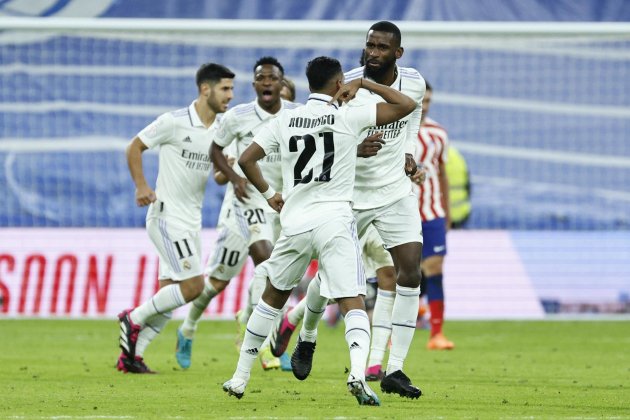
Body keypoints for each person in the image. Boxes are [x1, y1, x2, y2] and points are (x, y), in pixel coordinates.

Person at [222, 56, 416, 405]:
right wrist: (365, 83)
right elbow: (406, 105)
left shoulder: (285, 119)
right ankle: (358, 375)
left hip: (295, 222)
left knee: (271, 299)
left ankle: (239, 377)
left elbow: (247, 159)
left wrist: (269, 194)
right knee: (352, 300)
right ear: (339, 83)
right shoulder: (349, 115)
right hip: (334, 221)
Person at [273, 21, 426, 399]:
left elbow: (411, 119)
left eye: (381, 48)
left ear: (397, 53)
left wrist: (409, 153)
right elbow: (323, 141)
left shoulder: (412, 82)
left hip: (395, 193)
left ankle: (395, 369)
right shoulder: (344, 89)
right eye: (369, 45)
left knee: (410, 272)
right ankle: (304, 329)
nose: (373, 52)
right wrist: (355, 151)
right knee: (331, 279)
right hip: (351, 195)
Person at [174, 57, 299, 370]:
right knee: (221, 281)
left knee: (271, 272)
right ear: (255, 84)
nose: (268, 84)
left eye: (274, 79)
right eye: (262, 78)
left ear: (282, 85)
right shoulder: (238, 117)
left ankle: (265, 341)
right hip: (244, 205)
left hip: (281, 207)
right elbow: (216, 153)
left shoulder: (297, 116)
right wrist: (233, 177)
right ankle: (188, 328)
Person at [117, 63, 235, 373]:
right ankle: (133, 318)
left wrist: (229, 170)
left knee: (169, 296)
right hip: (167, 217)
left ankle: (131, 357)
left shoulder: (222, 129)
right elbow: (134, 147)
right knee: (194, 286)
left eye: (232, 89)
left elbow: (219, 177)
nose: (230, 95)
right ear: (205, 89)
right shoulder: (174, 122)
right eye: (225, 89)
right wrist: (141, 186)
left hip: (191, 221)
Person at [411, 81, 455, 350]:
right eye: (421, 100)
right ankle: (391, 333)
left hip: (432, 212)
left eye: (428, 101)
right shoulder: (396, 130)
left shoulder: (438, 133)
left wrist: (447, 213)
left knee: (435, 268)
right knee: (399, 273)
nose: (424, 106)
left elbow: (442, 174)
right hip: (401, 212)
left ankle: (437, 333)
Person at [445, 144, 471, 229]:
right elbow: (468, 186)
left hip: (442, 215)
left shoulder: (432, 156)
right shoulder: (457, 155)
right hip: (461, 213)